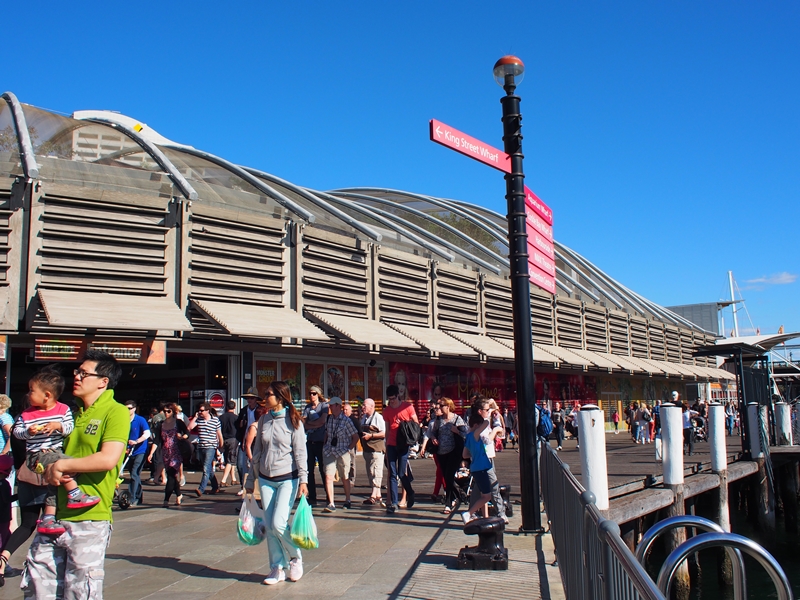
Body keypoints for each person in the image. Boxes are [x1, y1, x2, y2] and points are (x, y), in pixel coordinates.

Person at [22, 350, 129, 599]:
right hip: (52, 514)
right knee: (39, 585)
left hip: (90, 516)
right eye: (77, 372)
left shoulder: (115, 411)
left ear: (103, 381)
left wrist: (62, 467)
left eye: (84, 373)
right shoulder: (68, 412)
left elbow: (108, 458)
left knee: (81, 590)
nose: (77, 377)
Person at [14, 369, 96, 536]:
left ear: (47, 395)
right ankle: (74, 493)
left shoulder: (63, 410)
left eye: (31, 390)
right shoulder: (27, 414)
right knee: (66, 464)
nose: (28, 394)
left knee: (54, 484)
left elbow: (68, 428)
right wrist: (28, 432)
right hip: (36, 455)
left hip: (54, 451)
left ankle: (48, 518)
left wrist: (58, 426)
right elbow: (17, 433)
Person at [246, 381, 307, 585]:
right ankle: (277, 567)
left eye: (268, 394)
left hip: (287, 479)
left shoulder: (294, 421)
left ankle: (295, 557)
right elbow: (257, 453)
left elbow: (300, 453)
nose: (265, 397)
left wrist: (304, 480)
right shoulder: (264, 420)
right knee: (270, 527)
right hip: (265, 478)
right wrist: (250, 479)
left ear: (280, 397)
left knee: (278, 523)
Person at [382, 384, 419, 514]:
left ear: (398, 396)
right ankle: (393, 502)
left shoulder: (407, 407)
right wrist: (386, 447)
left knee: (401, 473)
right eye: (389, 399)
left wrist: (406, 425)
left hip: (403, 444)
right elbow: (387, 430)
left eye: (393, 398)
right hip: (391, 444)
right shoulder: (386, 411)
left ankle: (410, 492)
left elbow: (416, 424)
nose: (391, 401)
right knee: (392, 473)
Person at [427, 398, 467, 515]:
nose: (439, 408)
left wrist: (457, 431)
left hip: (454, 452)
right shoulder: (438, 420)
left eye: (442, 406)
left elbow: (465, 434)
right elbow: (433, 432)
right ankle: (458, 495)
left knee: (449, 476)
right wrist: (433, 438)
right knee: (446, 476)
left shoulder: (457, 419)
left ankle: (448, 504)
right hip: (441, 452)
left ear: (448, 406)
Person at [460, 399, 495, 525]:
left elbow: (464, 454)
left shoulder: (468, 437)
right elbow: (485, 422)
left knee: (483, 494)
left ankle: (485, 517)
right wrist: (489, 411)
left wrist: (474, 454)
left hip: (476, 467)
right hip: (480, 467)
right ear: (475, 426)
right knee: (487, 496)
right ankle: (468, 513)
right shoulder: (475, 435)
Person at [147, 403, 189, 507]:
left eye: (168, 411)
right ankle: (179, 494)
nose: (166, 413)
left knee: (170, 475)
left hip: (177, 452)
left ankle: (166, 500)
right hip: (166, 453)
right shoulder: (161, 425)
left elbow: (187, 433)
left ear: (173, 412)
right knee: (173, 476)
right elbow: (157, 441)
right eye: (165, 411)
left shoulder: (178, 423)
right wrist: (151, 453)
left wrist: (182, 437)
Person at [321, 397, 358, 512]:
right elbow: (327, 433)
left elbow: (355, 437)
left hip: (342, 452)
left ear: (338, 406)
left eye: (332, 405)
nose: (330, 407)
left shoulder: (347, 421)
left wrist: (348, 449)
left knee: (344, 477)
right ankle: (331, 503)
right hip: (329, 451)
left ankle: (348, 499)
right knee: (328, 476)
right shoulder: (329, 419)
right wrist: (325, 445)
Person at [188, 403, 223, 497]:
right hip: (201, 446)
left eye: (202, 410)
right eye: (199, 410)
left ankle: (201, 489)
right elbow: (189, 427)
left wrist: (220, 446)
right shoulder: (199, 419)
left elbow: (219, 434)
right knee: (209, 469)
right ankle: (215, 487)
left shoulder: (215, 420)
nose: (200, 412)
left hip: (211, 447)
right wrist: (195, 418)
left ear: (208, 411)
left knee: (205, 468)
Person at [302, 385, 328, 506]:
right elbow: (304, 423)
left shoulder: (323, 406)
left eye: (314, 393)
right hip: (310, 441)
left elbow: (322, 421)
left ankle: (329, 495)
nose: (312, 396)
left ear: (318, 394)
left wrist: (311, 424)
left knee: (324, 470)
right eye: (310, 393)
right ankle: (312, 497)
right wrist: (314, 425)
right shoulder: (307, 407)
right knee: (309, 470)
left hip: (321, 442)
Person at [359, 398, 385, 505]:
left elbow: (384, 433)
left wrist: (372, 435)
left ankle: (373, 495)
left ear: (372, 406)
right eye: (363, 405)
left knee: (376, 472)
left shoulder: (378, 418)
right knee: (370, 472)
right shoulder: (364, 418)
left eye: (365, 405)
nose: (363, 407)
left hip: (377, 450)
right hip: (367, 450)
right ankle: (378, 494)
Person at [125, 401, 150, 507]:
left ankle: (133, 497)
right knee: (134, 474)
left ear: (134, 409)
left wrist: (137, 441)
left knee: (134, 473)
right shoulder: (124, 420)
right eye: (125, 408)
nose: (127, 411)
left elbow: (147, 433)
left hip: (140, 450)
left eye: (129, 408)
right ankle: (139, 497)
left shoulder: (140, 420)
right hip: (129, 451)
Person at [236, 388, 261, 496]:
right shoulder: (244, 410)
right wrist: (240, 424)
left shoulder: (260, 410)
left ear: (256, 399)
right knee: (240, 465)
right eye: (247, 398)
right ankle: (243, 485)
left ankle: (254, 487)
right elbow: (237, 424)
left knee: (254, 465)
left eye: (251, 398)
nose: (249, 400)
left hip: (256, 440)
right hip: (245, 439)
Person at [218, 401, 239, 487]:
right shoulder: (236, 418)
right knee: (231, 460)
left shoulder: (221, 417)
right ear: (234, 407)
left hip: (223, 439)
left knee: (229, 459)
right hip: (233, 439)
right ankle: (223, 480)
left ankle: (233, 479)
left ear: (226, 407)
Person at [342, 402, 361, 486]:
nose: (344, 411)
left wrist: (354, 443)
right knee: (343, 462)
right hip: (342, 443)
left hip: (352, 443)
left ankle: (352, 479)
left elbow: (359, 432)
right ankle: (345, 478)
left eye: (346, 410)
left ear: (350, 411)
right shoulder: (341, 419)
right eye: (344, 409)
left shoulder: (354, 420)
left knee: (352, 462)